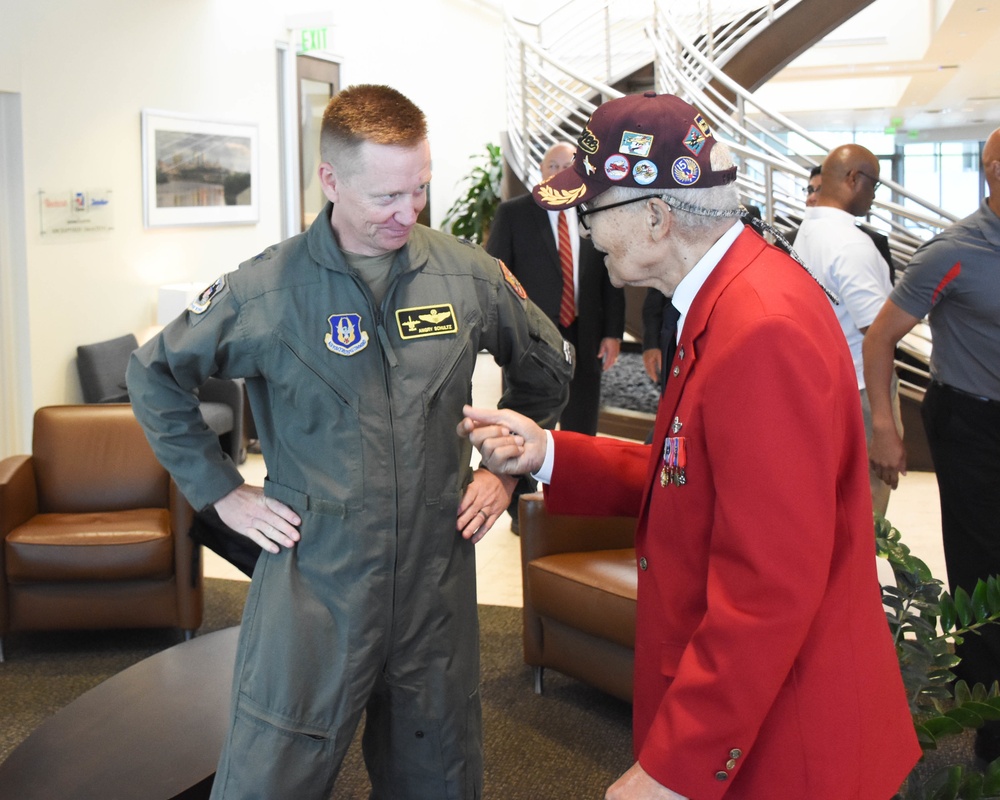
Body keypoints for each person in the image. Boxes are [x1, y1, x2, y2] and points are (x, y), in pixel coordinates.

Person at [459, 91, 919, 799]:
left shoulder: (760, 328)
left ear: (654, 215)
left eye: (590, 212)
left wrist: (677, 764)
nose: (584, 231)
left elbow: (768, 586)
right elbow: (694, 473)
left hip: (785, 745)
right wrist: (549, 452)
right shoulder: (729, 301)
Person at [126, 84, 571, 800]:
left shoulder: (468, 277)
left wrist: (504, 474)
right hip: (315, 583)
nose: (408, 212)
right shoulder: (265, 293)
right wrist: (220, 493)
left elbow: (548, 370)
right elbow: (152, 377)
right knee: (270, 775)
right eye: (387, 196)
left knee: (440, 774)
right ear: (330, 180)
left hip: (434, 581)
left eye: (420, 190)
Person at [865, 126, 1000, 763]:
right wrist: (885, 429)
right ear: (992, 169)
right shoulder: (953, 252)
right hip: (971, 424)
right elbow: (879, 338)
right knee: (984, 566)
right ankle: (991, 725)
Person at [486, 141, 625, 434]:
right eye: (554, 166)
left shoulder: (595, 213)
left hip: (585, 333)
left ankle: (574, 480)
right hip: (530, 338)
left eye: (568, 166)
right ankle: (521, 480)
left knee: (582, 426)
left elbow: (610, 279)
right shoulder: (514, 214)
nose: (561, 172)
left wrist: (613, 332)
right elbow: (495, 277)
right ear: (541, 169)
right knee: (525, 426)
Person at [793, 143, 901, 516]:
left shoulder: (807, 232)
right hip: (862, 390)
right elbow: (879, 336)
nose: (873, 196)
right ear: (854, 179)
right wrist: (885, 428)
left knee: (831, 509)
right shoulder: (852, 245)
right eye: (874, 185)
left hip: (825, 384)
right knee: (864, 513)